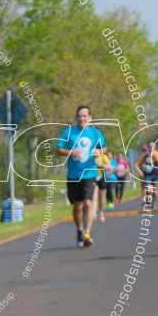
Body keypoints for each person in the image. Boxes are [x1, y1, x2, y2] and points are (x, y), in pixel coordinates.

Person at [56, 105, 104, 248]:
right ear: (76, 117)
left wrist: (99, 151)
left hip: (89, 173)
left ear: (90, 117)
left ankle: (87, 234)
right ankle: (79, 231)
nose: (82, 118)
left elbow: (104, 148)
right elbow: (58, 149)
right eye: (79, 116)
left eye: (84, 116)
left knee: (88, 203)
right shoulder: (69, 132)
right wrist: (69, 152)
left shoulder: (95, 133)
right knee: (77, 205)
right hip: (73, 175)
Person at [136, 141, 158, 210]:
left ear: (155, 147)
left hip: (156, 174)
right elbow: (136, 164)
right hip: (147, 175)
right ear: (148, 147)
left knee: (155, 189)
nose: (151, 148)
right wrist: (140, 171)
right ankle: (148, 199)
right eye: (150, 146)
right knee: (148, 189)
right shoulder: (144, 155)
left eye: (153, 146)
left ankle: (154, 202)